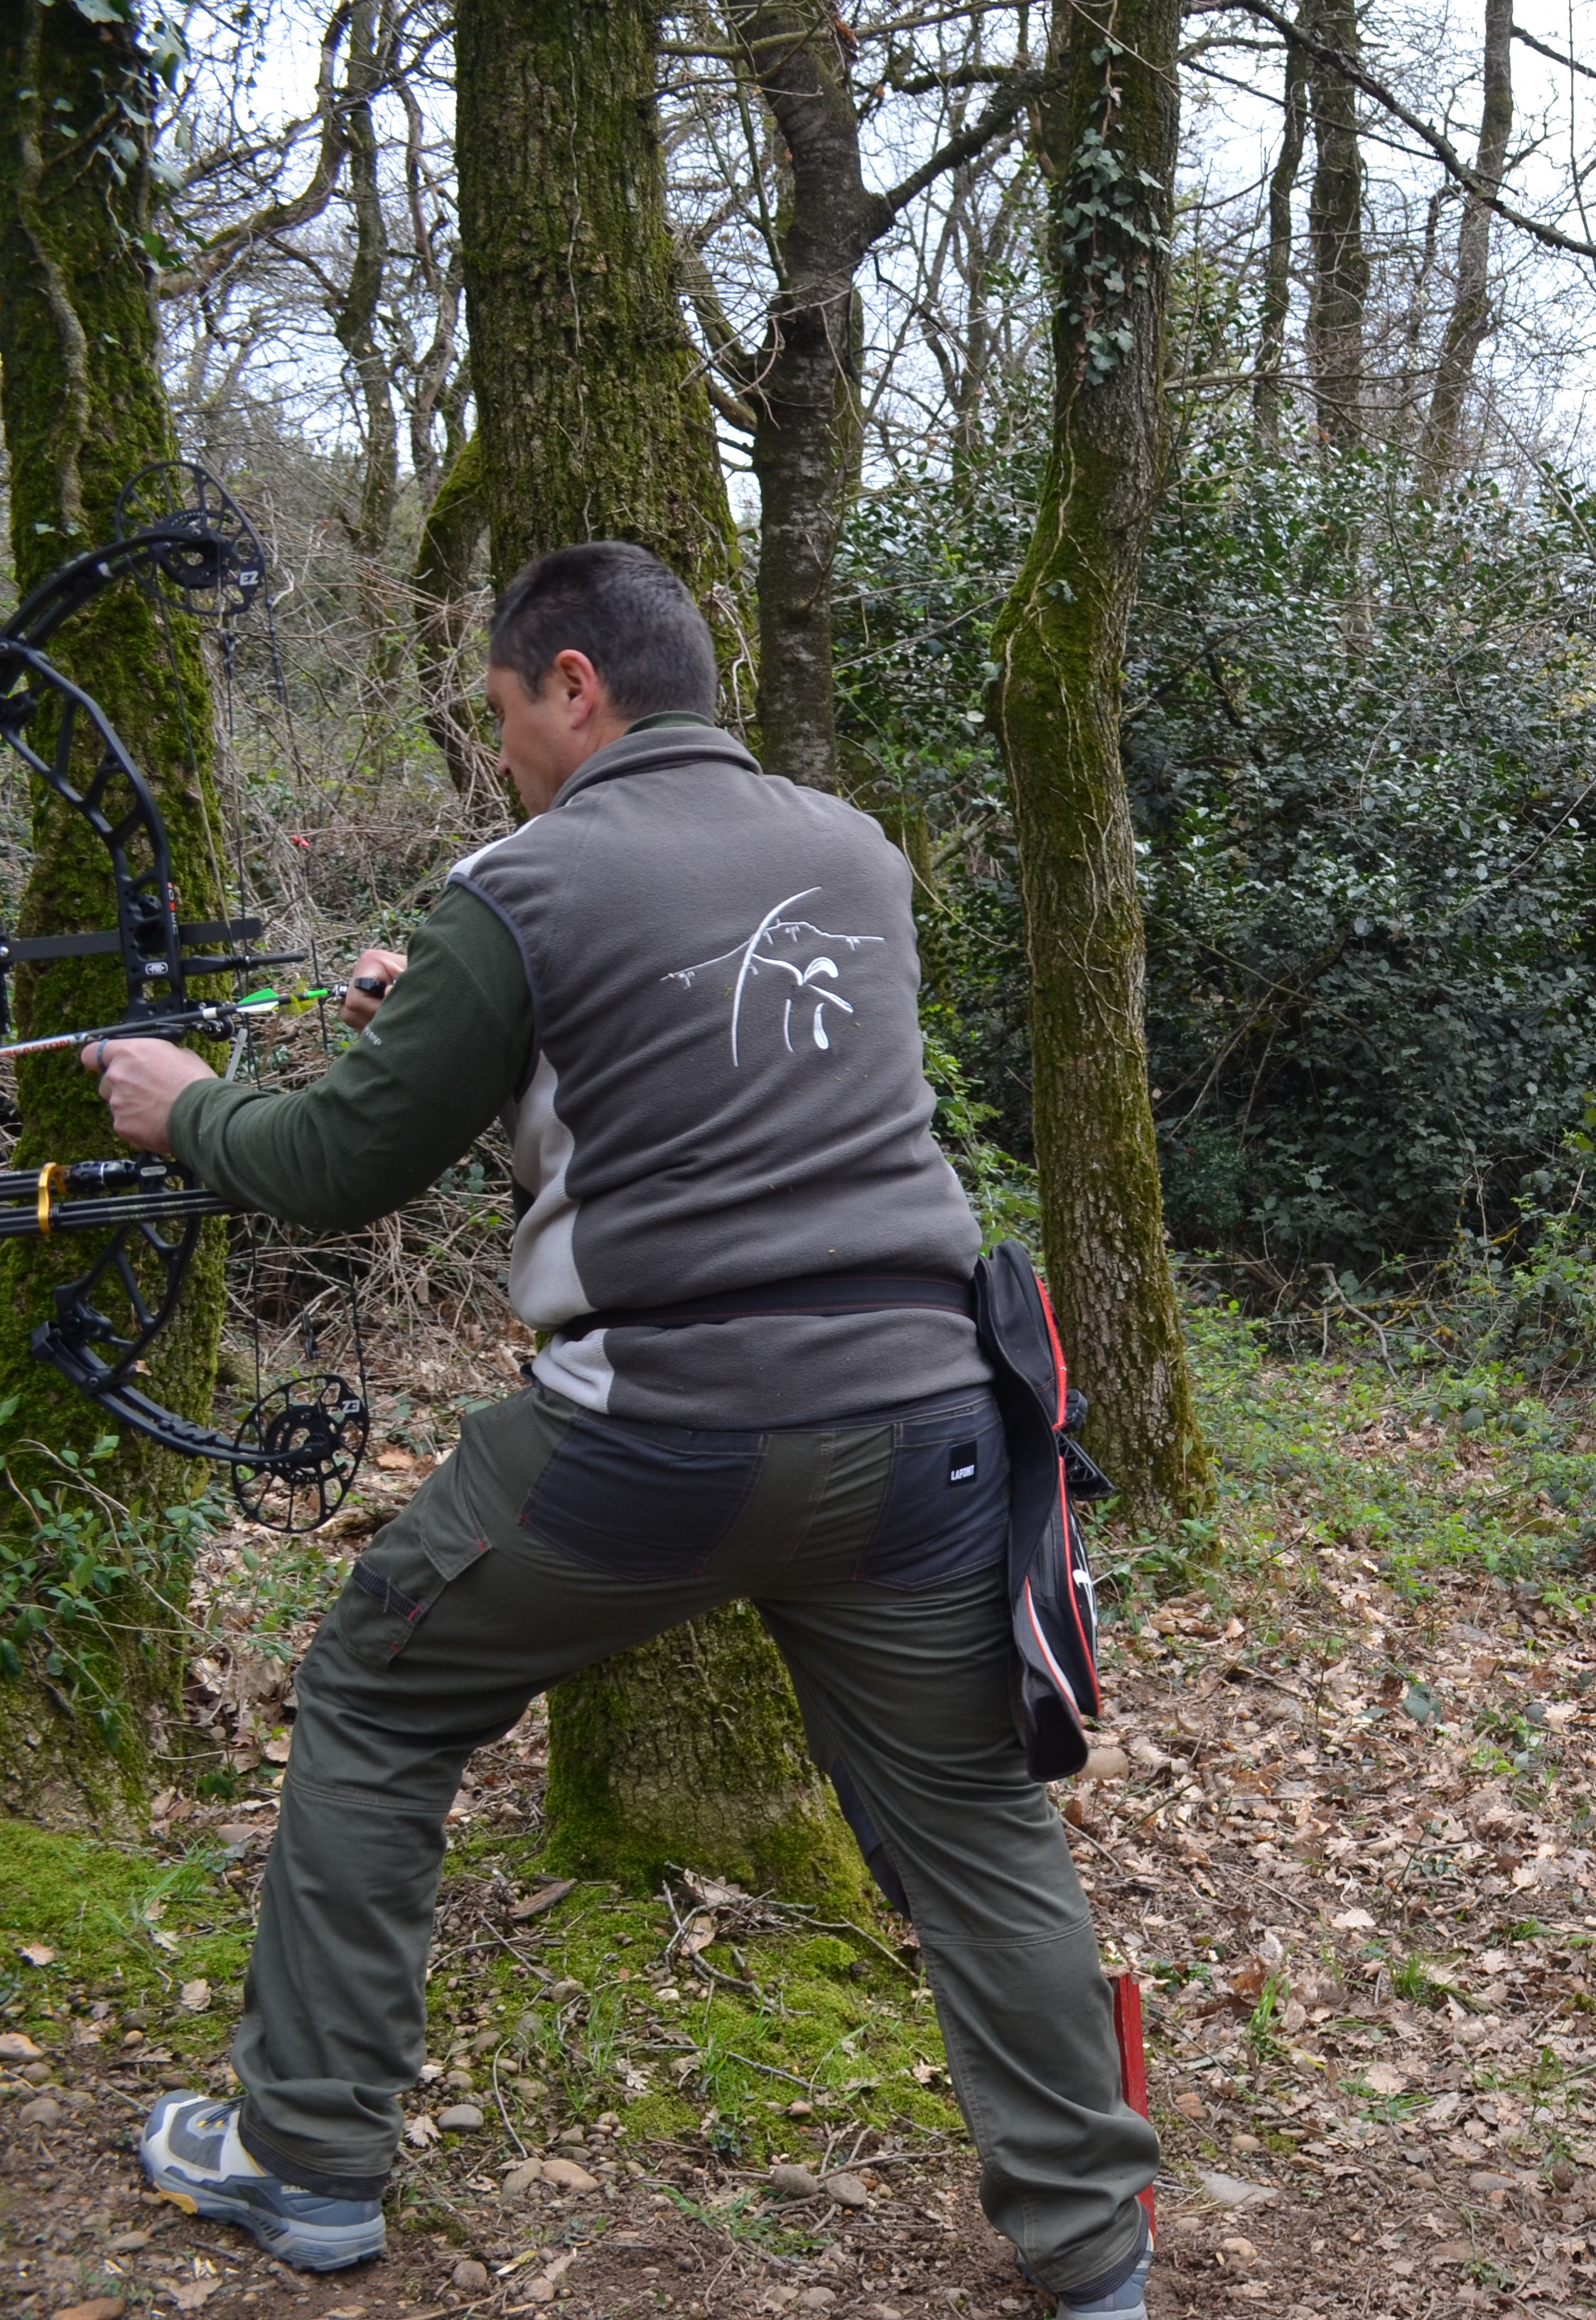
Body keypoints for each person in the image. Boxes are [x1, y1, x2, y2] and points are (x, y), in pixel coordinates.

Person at [107, 543, 1159, 2316]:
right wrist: (436, 1010)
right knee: (977, 1824)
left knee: (376, 1692)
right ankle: (1098, 2252)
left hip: (657, 1436)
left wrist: (189, 1111)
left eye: (509, 710)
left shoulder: (521, 886)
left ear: (574, 685)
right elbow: (700, 1057)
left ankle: (300, 2157)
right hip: (920, 1432)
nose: (504, 746)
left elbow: (338, 1165)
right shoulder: (855, 853)